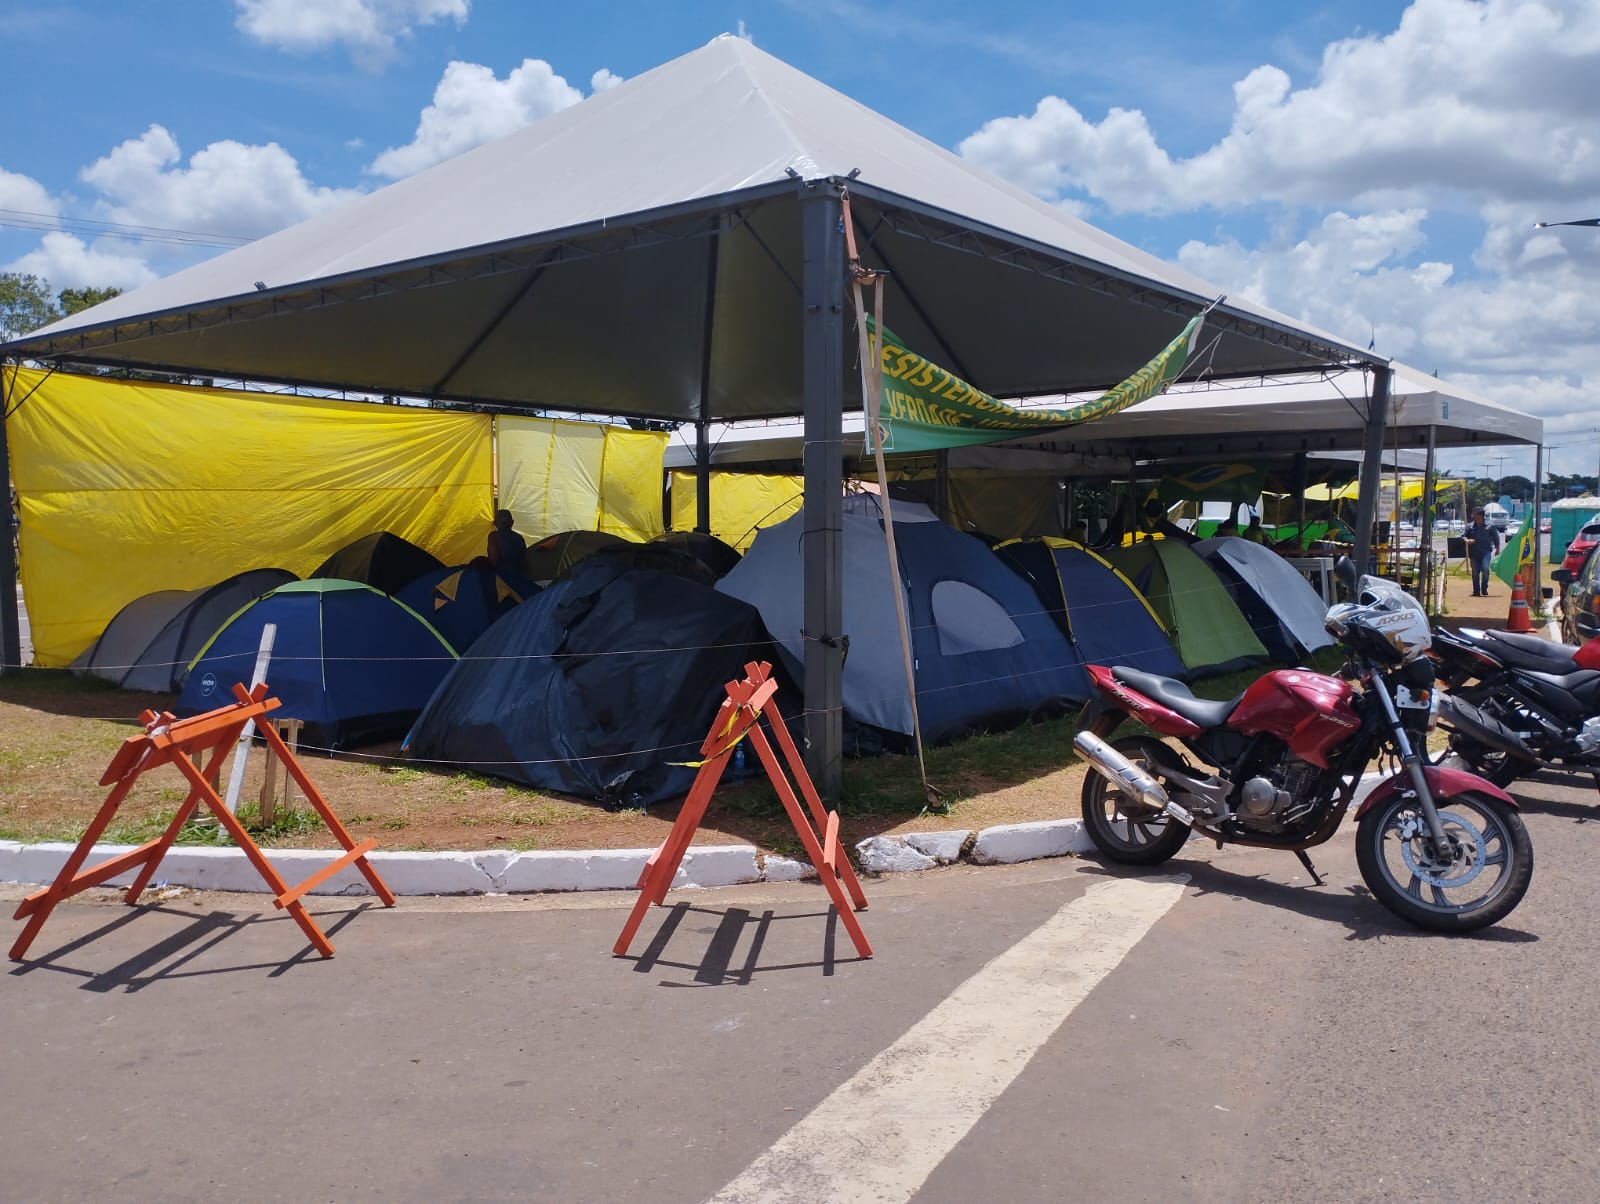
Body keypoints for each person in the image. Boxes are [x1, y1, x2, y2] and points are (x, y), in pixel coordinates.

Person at [1465, 507, 1501, 597]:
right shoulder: (1470, 526)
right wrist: (1467, 540)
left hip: (1486, 551)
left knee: (1485, 568)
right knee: (1475, 572)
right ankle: (1476, 591)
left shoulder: (1490, 526)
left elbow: (1496, 538)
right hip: (1474, 552)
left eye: (1476, 515)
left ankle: (1484, 588)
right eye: (1474, 515)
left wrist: (1498, 548)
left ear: (1481, 516)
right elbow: (1463, 536)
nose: (1474, 517)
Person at [486, 509, 527, 574]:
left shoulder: (493, 537)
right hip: (519, 577)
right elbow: (526, 563)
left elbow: (494, 560)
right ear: (512, 522)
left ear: (495, 524)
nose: (503, 523)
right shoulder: (519, 538)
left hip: (502, 577)